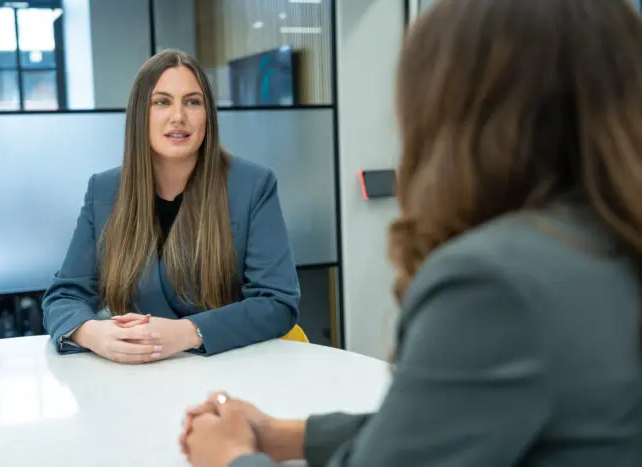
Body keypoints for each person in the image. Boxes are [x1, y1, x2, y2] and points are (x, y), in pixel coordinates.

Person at [180, 0, 642, 465]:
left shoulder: (495, 283)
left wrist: (229, 458)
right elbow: (450, 418)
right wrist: (283, 436)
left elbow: (277, 302)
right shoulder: (608, 242)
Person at [42, 49, 300, 364]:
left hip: (230, 374)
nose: (178, 116)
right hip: (136, 378)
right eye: (162, 101)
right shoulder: (104, 190)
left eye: (192, 102)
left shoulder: (253, 185)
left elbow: (277, 302)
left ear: (208, 114)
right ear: (141, 113)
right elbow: (64, 296)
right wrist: (92, 333)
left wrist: (188, 332)